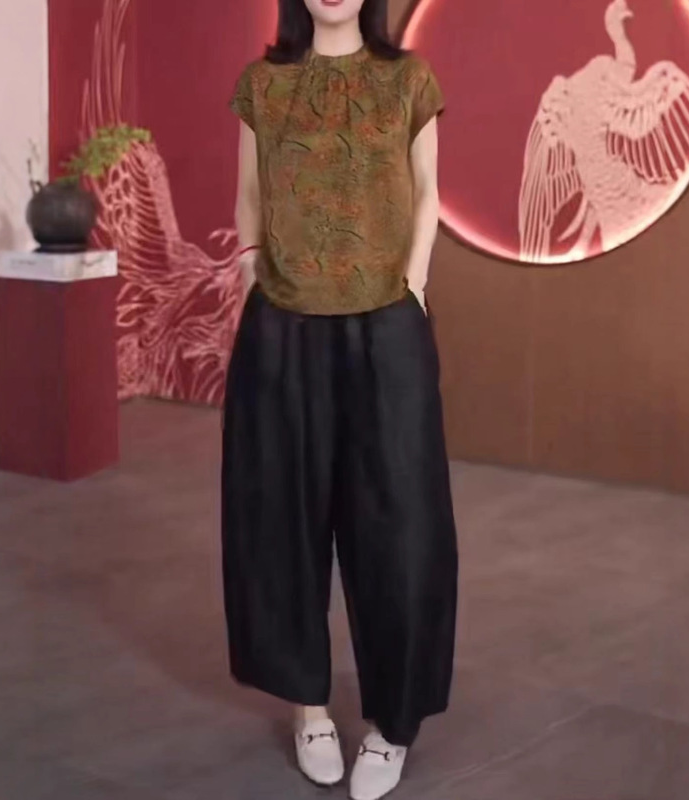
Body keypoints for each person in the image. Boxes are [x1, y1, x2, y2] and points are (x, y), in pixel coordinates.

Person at [222, 1, 458, 797]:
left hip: (387, 325)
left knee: (402, 526)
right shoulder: (262, 84)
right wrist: (249, 276)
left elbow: (426, 195)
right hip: (282, 327)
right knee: (281, 520)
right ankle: (309, 710)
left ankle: (394, 725)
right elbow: (249, 197)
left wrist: (413, 288)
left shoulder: (409, 79)